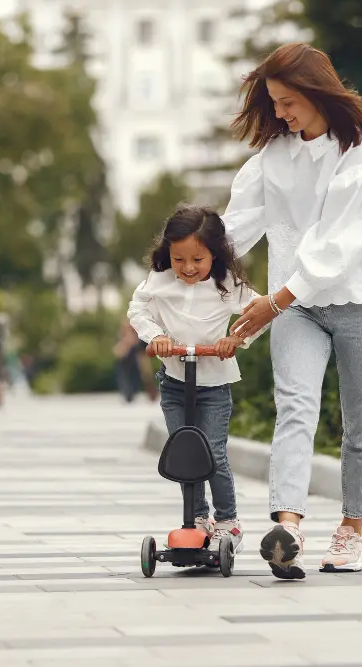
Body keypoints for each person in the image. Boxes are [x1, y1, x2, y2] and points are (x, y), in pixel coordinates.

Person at [222, 42, 362, 579]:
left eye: (288, 102)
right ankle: (289, 527)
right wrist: (183, 266)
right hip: (297, 310)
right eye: (274, 102)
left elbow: (337, 246)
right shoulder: (274, 158)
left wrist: (271, 302)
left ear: (317, 94)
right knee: (294, 408)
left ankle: (351, 531)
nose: (280, 113)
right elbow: (236, 227)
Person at [127, 204, 268, 554]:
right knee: (184, 453)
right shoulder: (159, 281)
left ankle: (227, 520)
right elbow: (137, 309)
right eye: (179, 260)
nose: (188, 268)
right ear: (168, 255)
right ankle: (198, 518)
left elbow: (260, 312)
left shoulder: (226, 286)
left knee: (214, 454)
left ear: (214, 254)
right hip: (174, 382)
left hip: (214, 386)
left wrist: (235, 339)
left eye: (197, 259)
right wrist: (156, 336)